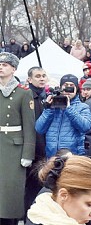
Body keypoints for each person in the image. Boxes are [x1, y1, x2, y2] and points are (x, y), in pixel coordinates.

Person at [0, 53, 35, 225]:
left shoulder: (23, 93)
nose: (1, 68)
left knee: (11, 192)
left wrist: (27, 153)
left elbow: (29, 126)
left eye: (5, 65)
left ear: (13, 69)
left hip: (15, 146)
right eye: (0, 64)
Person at [36, 73, 91, 157]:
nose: (68, 88)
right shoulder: (53, 106)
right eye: (65, 85)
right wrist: (48, 108)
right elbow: (39, 129)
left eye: (71, 85)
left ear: (76, 89)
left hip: (73, 155)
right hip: (52, 155)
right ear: (61, 87)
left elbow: (85, 127)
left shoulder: (83, 107)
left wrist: (68, 108)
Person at [24, 66, 48, 216]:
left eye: (44, 76)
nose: (42, 78)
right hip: (32, 149)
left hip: (46, 148)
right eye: (38, 76)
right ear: (29, 79)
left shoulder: (47, 97)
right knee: (31, 188)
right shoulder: (27, 97)